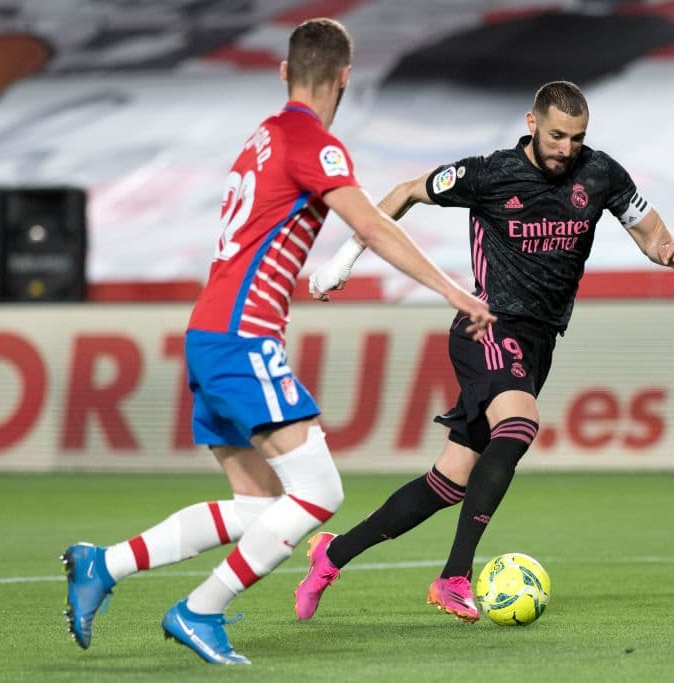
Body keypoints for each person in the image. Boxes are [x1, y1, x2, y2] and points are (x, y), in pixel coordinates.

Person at [61, 18, 494, 665]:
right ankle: (200, 609)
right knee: (320, 492)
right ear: (345, 77)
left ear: (284, 71)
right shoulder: (312, 144)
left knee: (259, 504)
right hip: (242, 337)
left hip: (210, 331)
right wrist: (454, 291)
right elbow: (372, 225)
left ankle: (106, 563)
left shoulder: (261, 138)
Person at [294, 80, 674, 623]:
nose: (566, 149)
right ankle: (454, 577)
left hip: (538, 340)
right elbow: (405, 192)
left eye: (576, 138)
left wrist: (663, 248)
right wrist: (343, 262)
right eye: (556, 135)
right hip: (486, 323)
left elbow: (645, 228)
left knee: (449, 481)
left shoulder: (600, 174)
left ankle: (331, 554)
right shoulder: (487, 174)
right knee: (519, 427)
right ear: (531, 123)